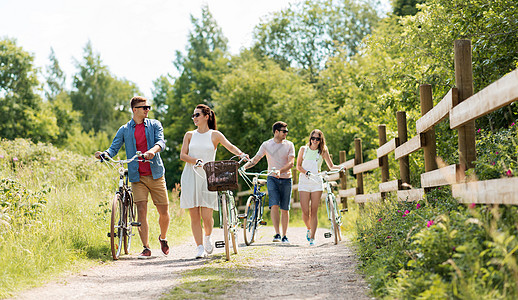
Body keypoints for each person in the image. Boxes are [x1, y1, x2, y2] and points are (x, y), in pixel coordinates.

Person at [95, 96, 170, 258]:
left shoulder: (155, 125)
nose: (147, 110)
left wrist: (152, 151)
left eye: (148, 107)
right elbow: (114, 147)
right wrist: (105, 154)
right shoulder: (125, 129)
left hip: (156, 173)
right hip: (137, 177)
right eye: (144, 107)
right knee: (141, 210)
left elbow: (161, 142)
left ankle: (163, 238)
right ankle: (146, 247)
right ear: (135, 110)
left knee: (163, 211)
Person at [180, 104, 248, 259]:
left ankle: (207, 237)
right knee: (194, 215)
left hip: (208, 176)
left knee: (207, 215)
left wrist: (241, 154)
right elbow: (183, 155)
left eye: (197, 115)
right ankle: (199, 247)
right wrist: (194, 160)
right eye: (193, 115)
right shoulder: (189, 135)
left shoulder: (215, 135)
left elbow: (230, 146)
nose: (194, 118)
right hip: (190, 175)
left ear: (206, 116)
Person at [243, 121, 295, 243]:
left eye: (287, 131)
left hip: (286, 179)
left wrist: (280, 171)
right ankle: (277, 233)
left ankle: (285, 235)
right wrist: (244, 167)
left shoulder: (289, 145)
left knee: (285, 208)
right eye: (284, 131)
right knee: (274, 205)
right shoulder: (266, 145)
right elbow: (256, 159)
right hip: (272, 178)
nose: (286, 133)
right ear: (276, 132)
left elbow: (291, 163)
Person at [296, 129, 338, 246]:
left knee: (314, 211)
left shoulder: (323, 151)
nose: (315, 141)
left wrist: (341, 167)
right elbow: (298, 166)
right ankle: (309, 228)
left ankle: (313, 237)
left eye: (317, 139)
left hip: (316, 182)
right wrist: (306, 172)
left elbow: (331, 166)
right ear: (310, 138)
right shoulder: (303, 149)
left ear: (320, 140)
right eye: (313, 138)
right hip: (304, 181)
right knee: (305, 211)